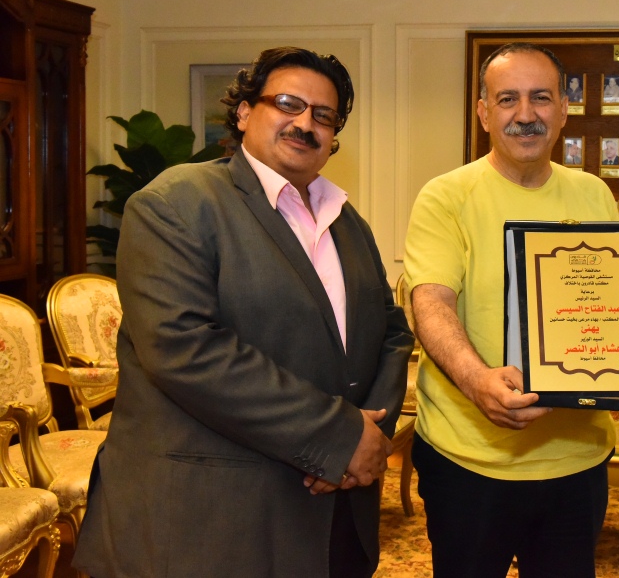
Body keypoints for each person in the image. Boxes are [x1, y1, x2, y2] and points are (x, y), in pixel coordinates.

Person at [73, 47, 414, 578]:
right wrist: (338, 438)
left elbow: (390, 332)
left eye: (324, 115)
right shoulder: (174, 204)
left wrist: (366, 438)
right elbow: (186, 350)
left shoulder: (348, 222)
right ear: (244, 112)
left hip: (335, 511)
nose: (306, 123)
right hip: (213, 520)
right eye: (288, 104)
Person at [404, 42, 619, 578]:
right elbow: (430, 302)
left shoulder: (594, 195)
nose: (525, 114)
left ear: (564, 109)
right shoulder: (445, 197)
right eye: (507, 99)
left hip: (577, 460)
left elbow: (606, 308)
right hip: (468, 462)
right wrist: (478, 381)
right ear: (484, 113)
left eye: (541, 98)